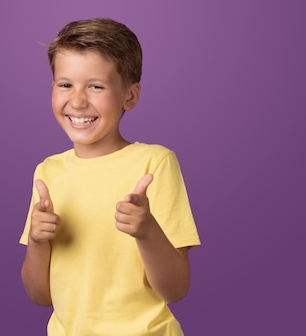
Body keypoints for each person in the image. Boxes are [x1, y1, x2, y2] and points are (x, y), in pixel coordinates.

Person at [20, 18, 200, 336]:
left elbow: (176, 290)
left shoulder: (154, 164)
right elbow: (40, 296)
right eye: (65, 84)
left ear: (129, 96)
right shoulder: (47, 172)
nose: (77, 101)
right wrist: (37, 241)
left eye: (96, 86)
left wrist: (147, 232)